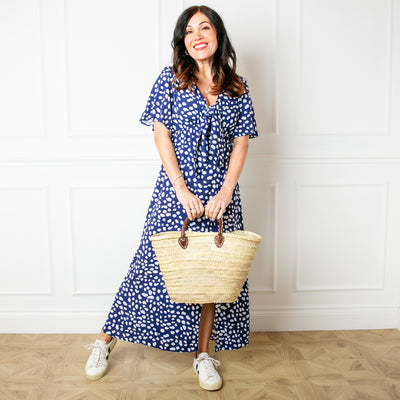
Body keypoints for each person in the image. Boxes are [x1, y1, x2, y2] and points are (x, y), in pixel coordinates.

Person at [84, 5, 257, 391]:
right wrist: (180, 187)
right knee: (150, 266)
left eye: (205, 27)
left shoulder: (238, 86)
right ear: (183, 41)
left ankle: (202, 353)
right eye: (189, 30)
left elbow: (242, 140)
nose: (197, 35)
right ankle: (103, 341)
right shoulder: (171, 80)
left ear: (217, 35)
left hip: (220, 196)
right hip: (175, 192)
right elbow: (161, 134)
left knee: (214, 274)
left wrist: (226, 191)